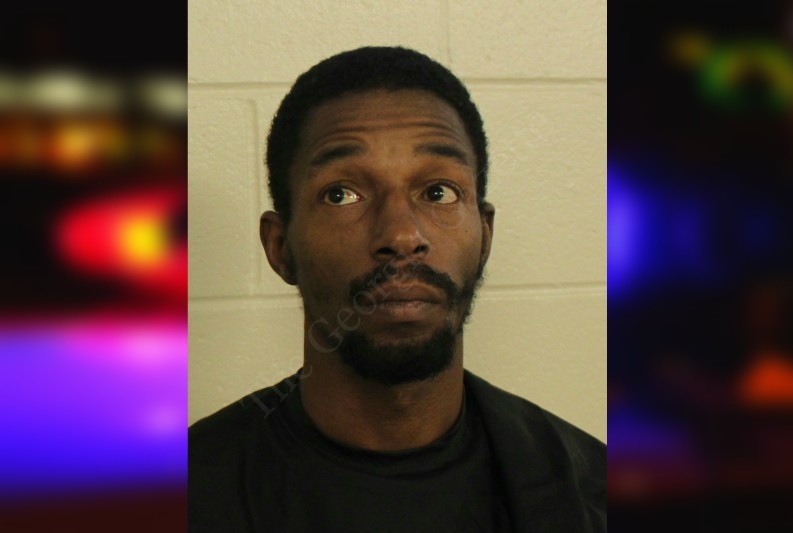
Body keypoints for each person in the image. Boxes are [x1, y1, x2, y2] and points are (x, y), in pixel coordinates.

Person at [189, 46, 606, 532]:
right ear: (280, 247)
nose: (403, 235)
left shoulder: (590, 497)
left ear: (485, 236)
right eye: (341, 194)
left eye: (438, 192)